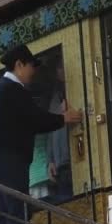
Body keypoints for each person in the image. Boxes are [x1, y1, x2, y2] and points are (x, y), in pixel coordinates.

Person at [0, 44, 82, 224]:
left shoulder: (6, 89)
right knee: (16, 210)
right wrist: (63, 118)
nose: (33, 72)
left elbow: (32, 118)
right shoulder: (12, 89)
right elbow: (35, 120)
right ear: (19, 64)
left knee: (6, 214)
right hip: (9, 161)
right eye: (30, 66)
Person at [46, 61, 73, 204]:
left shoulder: (78, 89)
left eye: (62, 66)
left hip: (77, 156)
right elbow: (50, 128)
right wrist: (50, 160)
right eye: (58, 67)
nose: (60, 70)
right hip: (61, 162)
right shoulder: (56, 97)